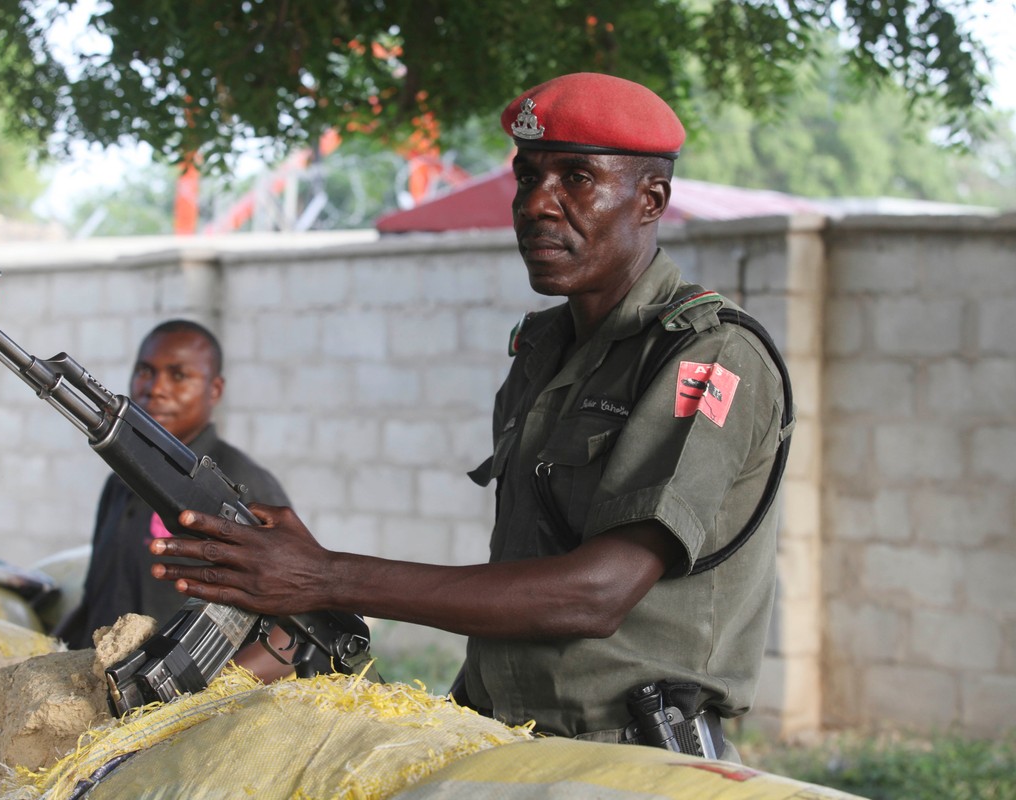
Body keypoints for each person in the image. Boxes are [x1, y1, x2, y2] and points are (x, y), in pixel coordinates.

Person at [145, 74, 792, 758]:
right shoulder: (544, 348)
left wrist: (324, 575)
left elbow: (597, 594)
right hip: (504, 741)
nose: (538, 204)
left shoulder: (712, 355)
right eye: (527, 177)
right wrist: (305, 573)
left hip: (630, 759)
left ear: (650, 199)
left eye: (576, 178)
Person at [56, 319, 293, 679]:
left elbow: (289, 630)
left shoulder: (242, 487)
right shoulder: (120, 482)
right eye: (145, 372)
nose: (156, 389)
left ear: (214, 390)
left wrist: (190, 699)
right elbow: (95, 601)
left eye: (178, 376)